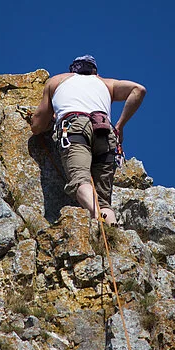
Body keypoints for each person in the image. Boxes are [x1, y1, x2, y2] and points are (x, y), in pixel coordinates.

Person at [31, 55, 146, 225]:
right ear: (95, 71)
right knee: (103, 200)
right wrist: (119, 126)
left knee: (80, 180)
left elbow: (37, 125)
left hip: (74, 127)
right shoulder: (107, 84)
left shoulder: (56, 81)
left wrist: (48, 122)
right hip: (105, 131)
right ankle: (111, 229)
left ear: (73, 70)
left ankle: (96, 215)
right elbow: (139, 90)